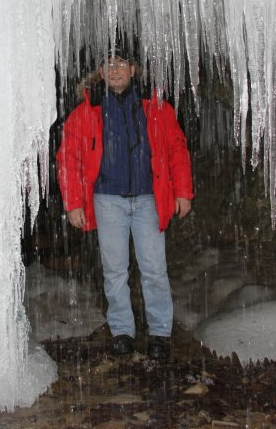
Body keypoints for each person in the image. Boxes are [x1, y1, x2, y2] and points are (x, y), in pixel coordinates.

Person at [56, 46, 193, 360]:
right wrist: (74, 202)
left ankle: (160, 331)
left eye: (121, 64)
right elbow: (69, 158)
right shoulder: (87, 111)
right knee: (115, 270)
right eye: (109, 65)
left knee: (154, 269)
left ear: (134, 70)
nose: (115, 70)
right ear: (101, 73)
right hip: (108, 200)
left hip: (148, 198)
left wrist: (182, 191)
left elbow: (176, 150)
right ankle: (122, 331)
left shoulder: (157, 108)